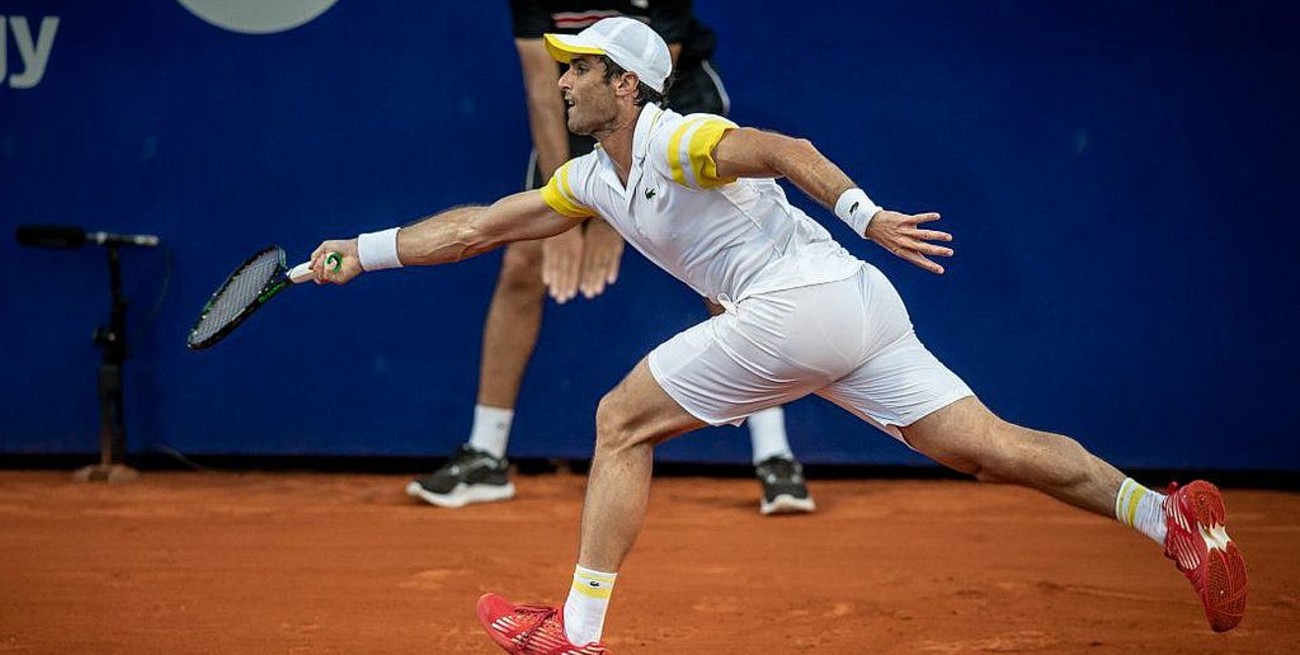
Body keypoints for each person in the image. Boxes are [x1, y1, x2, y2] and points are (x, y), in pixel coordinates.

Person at [309, 17, 1249, 653]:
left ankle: (577, 635)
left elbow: (784, 151)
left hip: (804, 300)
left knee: (618, 419)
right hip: (856, 309)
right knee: (989, 447)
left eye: (580, 69)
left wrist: (866, 209)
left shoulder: (680, 138)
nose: (561, 81)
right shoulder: (594, 180)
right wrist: (362, 249)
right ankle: (1172, 520)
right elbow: (479, 226)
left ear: (627, 86)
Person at [404, 0, 816, 516]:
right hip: (589, 103)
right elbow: (541, 86)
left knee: (721, 270)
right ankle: (486, 453)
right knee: (522, 261)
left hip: (668, 101)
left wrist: (614, 219)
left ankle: (774, 454)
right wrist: (568, 210)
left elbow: (642, 83)